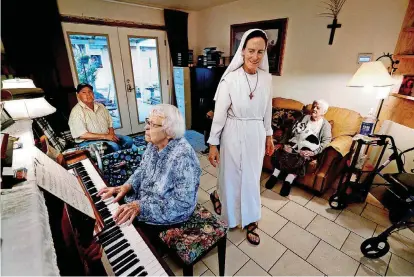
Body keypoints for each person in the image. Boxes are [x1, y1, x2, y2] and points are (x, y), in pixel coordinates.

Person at [207, 29, 275, 245]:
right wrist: (213, 144)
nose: (255, 57)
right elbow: (219, 116)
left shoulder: (266, 79)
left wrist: (269, 135)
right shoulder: (230, 80)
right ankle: (226, 206)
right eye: (251, 51)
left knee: (252, 177)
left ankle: (252, 218)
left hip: (255, 132)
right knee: (231, 174)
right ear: (243, 50)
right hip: (233, 130)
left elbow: (268, 110)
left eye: (260, 52)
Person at [97, 104, 201, 228]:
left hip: (169, 213)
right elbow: (143, 169)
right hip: (145, 198)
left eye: (152, 124)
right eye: (148, 121)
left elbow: (182, 204)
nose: (146, 127)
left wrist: (140, 207)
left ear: (169, 132)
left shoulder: (183, 157)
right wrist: (127, 186)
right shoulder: (154, 143)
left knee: (120, 229)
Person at [265, 99, 332, 196]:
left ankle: (288, 181)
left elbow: (326, 141)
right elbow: (289, 131)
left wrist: (314, 152)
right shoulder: (303, 118)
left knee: (300, 156)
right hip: (293, 143)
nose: (314, 109)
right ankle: (275, 175)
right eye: (313, 106)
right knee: (281, 151)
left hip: (307, 148)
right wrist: (282, 143)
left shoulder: (325, 125)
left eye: (318, 108)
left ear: (324, 112)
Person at [68, 83, 133, 152]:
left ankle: (121, 156)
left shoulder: (100, 106)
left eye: (90, 92)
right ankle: (115, 158)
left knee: (128, 141)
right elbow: (82, 135)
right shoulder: (76, 112)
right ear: (78, 95)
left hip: (106, 136)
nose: (88, 94)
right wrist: (105, 137)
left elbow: (109, 123)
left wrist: (111, 134)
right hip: (87, 142)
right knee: (114, 147)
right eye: (84, 92)